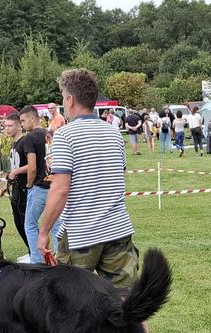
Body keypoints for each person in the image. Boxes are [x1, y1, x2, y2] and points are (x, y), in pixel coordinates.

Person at [39, 68, 138, 300]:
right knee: (126, 305)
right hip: (117, 229)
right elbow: (118, 176)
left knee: (69, 305)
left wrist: (43, 231)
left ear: (70, 100)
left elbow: (61, 189)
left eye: (63, 97)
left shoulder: (65, 135)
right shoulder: (114, 133)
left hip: (81, 233)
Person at [19, 105, 60, 264]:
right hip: (52, 184)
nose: (22, 124)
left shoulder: (29, 137)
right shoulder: (48, 133)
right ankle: (58, 257)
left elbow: (32, 166)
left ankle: (37, 260)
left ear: (31, 118)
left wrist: (29, 184)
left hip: (38, 187)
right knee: (56, 224)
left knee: (30, 224)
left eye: (23, 120)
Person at [4, 112, 31, 260]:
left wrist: (16, 171)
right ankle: (30, 249)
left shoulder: (25, 142)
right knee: (18, 222)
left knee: (26, 222)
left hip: (24, 188)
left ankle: (34, 252)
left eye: (10, 125)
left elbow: (32, 165)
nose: (7, 129)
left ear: (19, 125)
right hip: (15, 187)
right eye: (5, 126)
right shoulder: (13, 144)